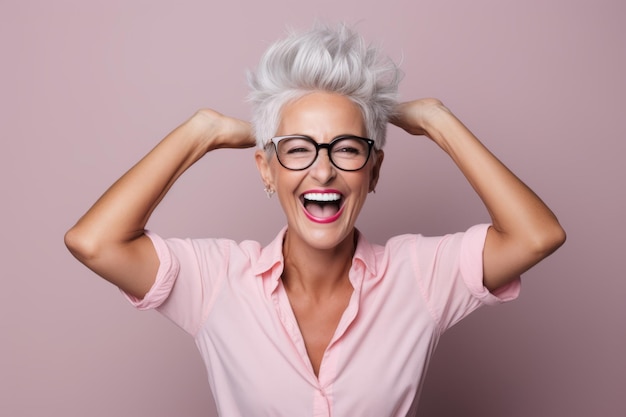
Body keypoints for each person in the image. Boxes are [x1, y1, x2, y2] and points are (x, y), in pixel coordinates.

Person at [65, 23, 565, 416]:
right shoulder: (216, 282)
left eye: (347, 149)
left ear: (373, 172)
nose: (322, 169)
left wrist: (437, 120)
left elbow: (537, 235)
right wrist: (203, 132)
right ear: (266, 170)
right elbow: (94, 242)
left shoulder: (420, 276)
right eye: (298, 150)